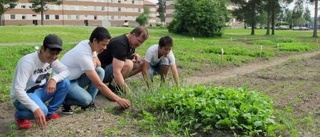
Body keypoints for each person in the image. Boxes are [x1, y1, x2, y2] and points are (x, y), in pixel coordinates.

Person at [60, 26, 130, 114]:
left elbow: (99, 64)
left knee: (100, 71)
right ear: (95, 41)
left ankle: (90, 103)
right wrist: (118, 99)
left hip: (75, 78)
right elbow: (99, 85)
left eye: (106, 45)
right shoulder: (83, 55)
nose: (105, 48)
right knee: (86, 100)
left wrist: (93, 59)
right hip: (64, 82)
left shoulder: (87, 44)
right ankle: (65, 102)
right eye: (103, 44)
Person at [10, 34, 70, 130]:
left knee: (65, 83)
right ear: (42, 49)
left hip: (40, 91)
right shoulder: (27, 62)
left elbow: (66, 71)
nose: (54, 57)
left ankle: (49, 113)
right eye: (51, 52)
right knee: (41, 110)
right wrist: (35, 108)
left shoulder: (52, 59)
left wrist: (54, 79)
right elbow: (18, 90)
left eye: (56, 53)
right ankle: (20, 116)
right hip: (24, 95)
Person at [98, 26, 149, 94]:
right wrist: (129, 92)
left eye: (141, 43)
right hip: (101, 73)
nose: (139, 44)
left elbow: (122, 56)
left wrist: (133, 56)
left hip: (110, 68)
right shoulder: (121, 44)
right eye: (139, 41)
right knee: (128, 64)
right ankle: (113, 88)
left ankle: (116, 84)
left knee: (141, 64)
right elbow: (116, 72)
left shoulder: (131, 43)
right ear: (133, 35)